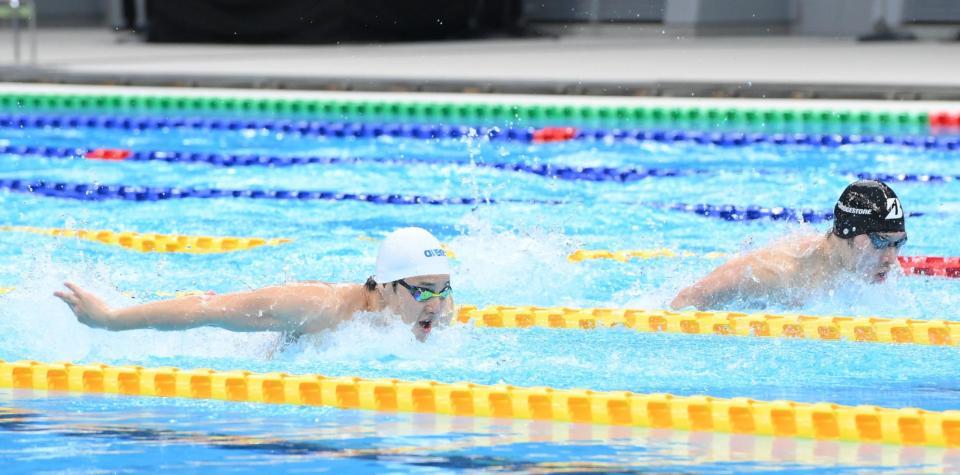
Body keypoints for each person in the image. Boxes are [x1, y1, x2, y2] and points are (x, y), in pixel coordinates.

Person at [54, 227, 454, 341]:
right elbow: (206, 310)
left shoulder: (437, 310)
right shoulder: (318, 307)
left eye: (442, 289)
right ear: (384, 286)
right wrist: (110, 318)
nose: (436, 305)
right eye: (423, 290)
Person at [670, 180, 908, 311]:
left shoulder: (862, 275)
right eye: (880, 242)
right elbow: (687, 299)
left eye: (898, 244)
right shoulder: (777, 273)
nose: (891, 258)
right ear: (847, 233)